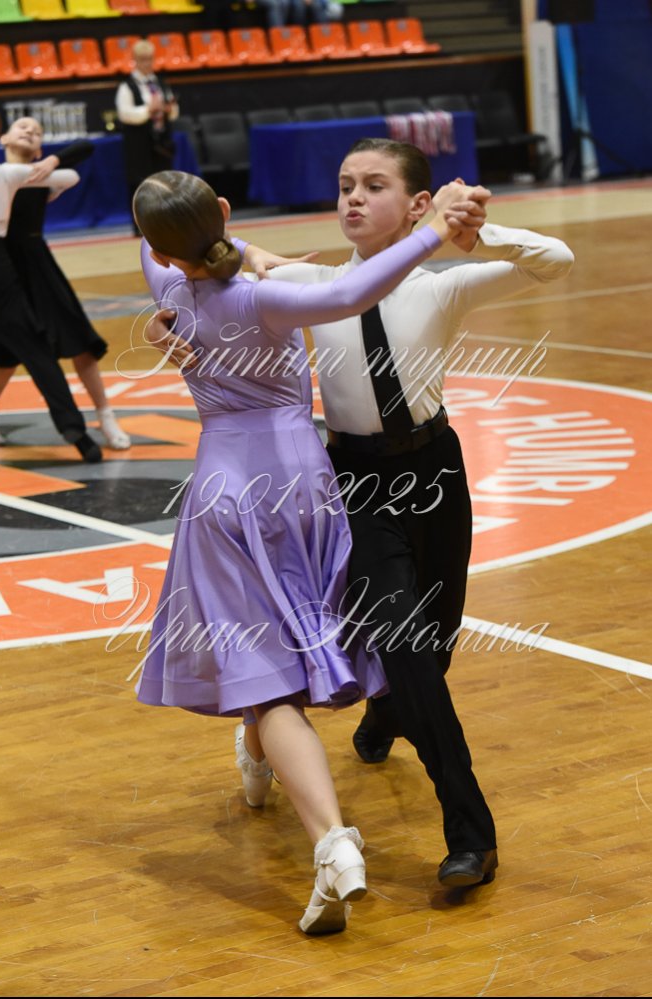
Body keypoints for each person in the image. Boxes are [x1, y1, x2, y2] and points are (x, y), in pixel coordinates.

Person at [132, 168, 489, 933]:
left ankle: (327, 838)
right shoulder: (263, 297)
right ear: (224, 210)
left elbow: (157, 247)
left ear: (162, 250)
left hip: (228, 486)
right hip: (305, 484)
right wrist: (434, 230)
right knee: (282, 649)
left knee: (263, 669)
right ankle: (262, 761)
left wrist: (165, 311)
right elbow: (351, 293)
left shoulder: (168, 285)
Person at [230, 138, 575, 889]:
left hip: (435, 471)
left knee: (432, 649)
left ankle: (387, 713)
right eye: (345, 184)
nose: (353, 197)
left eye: (373, 185)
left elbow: (556, 259)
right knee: (408, 646)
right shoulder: (316, 284)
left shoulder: (441, 287)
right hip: (354, 481)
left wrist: (479, 232)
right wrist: (199, 280)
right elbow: (227, 269)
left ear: (419, 205)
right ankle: (472, 835)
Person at [0, 116, 130, 451]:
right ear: (2, 138)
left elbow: (84, 150)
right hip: (4, 271)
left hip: (39, 268)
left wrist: (52, 160)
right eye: (23, 127)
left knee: (81, 344)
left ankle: (106, 416)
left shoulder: (45, 178)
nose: (30, 132)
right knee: (5, 357)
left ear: (40, 149)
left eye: (37, 132)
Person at [115, 40, 179, 231]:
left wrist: (169, 109)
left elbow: (174, 110)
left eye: (150, 59)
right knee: (141, 183)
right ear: (135, 60)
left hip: (161, 141)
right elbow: (124, 114)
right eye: (143, 60)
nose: (147, 63)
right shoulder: (127, 86)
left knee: (164, 182)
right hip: (139, 143)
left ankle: (166, 222)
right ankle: (142, 226)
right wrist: (148, 110)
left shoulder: (160, 82)